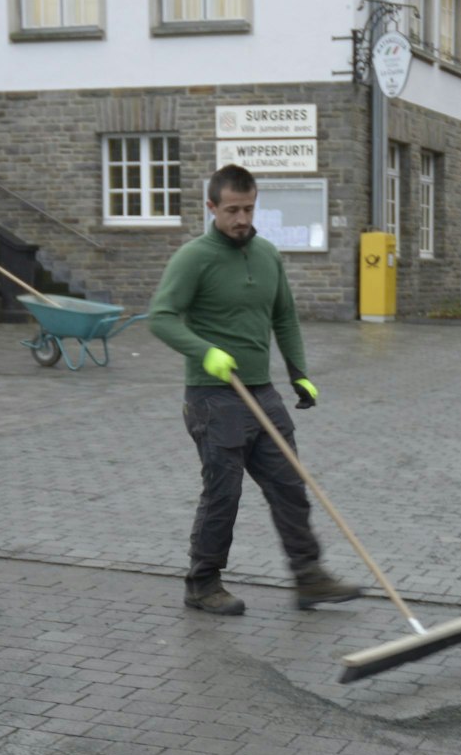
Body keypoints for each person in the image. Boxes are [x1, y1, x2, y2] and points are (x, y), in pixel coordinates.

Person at [148, 165, 361, 616]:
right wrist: (205, 351)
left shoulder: (266, 254)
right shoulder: (194, 257)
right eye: (232, 210)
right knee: (223, 493)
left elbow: (283, 316)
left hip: (262, 391)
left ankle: (309, 577)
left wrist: (299, 371)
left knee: (290, 486)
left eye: (248, 208)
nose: (242, 219)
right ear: (211, 208)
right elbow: (162, 316)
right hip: (213, 396)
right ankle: (202, 584)